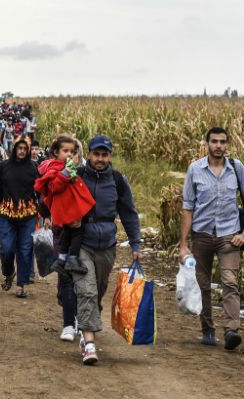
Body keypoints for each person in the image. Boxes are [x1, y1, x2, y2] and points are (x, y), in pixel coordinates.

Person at [179, 127, 244, 350]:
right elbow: (188, 208)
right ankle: (208, 330)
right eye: (214, 141)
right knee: (203, 284)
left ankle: (232, 330)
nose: (219, 146)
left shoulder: (236, 168)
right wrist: (183, 245)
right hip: (202, 235)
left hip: (229, 236)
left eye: (223, 142)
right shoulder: (195, 169)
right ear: (207, 144)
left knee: (230, 282)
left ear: (227, 145)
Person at [72, 135, 141, 365]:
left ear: (109, 156)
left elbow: (129, 213)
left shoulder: (118, 180)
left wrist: (135, 244)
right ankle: (89, 344)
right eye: (96, 154)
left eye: (104, 155)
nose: (100, 159)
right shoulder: (78, 176)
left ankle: (85, 322)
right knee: (87, 291)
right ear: (89, 155)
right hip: (81, 242)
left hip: (107, 246)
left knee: (98, 291)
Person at [0, 135, 39, 298]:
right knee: (6, 249)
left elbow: (41, 193)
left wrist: (47, 215)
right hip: (6, 214)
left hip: (28, 215)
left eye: (24, 149)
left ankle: (21, 284)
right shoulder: (3, 167)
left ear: (28, 150)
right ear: (14, 149)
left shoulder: (34, 168)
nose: (22, 151)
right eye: (19, 148)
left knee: (25, 249)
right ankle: (8, 273)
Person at [35, 135, 95, 276]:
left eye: (72, 151)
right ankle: (72, 259)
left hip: (67, 205)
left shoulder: (63, 166)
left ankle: (61, 260)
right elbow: (55, 186)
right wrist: (68, 169)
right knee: (77, 231)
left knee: (69, 232)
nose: (69, 154)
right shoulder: (56, 167)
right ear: (56, 152)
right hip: (66, 207)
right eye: (65, 151)